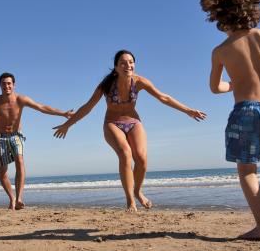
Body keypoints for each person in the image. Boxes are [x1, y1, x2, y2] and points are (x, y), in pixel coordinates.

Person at [53, 50, 206, 212]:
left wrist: (188, 110)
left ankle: (138, 191)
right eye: (123, 63)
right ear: (116, 67)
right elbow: (87, 107)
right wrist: (68, 124)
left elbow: (164, 97)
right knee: (125, 153)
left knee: (141, 158)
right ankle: (130, 201)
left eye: (131, 62)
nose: (128, 65)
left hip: (133, 122)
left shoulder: (139, 82)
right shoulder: (106, 85)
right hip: (112, 123)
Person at [201, 0, 260, 240]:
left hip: (246, 110)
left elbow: (215, 87)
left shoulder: (221, 50)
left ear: (219, 18)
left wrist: (233, 85)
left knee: (247, 170)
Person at [0, 72, 73, 210]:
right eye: (3, 84)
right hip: (0, 137)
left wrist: (63, 113)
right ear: (0, 85)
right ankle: (12, 198)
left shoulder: (21, 99)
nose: (6, 86)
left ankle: (20, 198)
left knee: (20, 161)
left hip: (16, 135)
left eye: (9, 83)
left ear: (14, 85)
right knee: (2, 172)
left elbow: (42, 107)